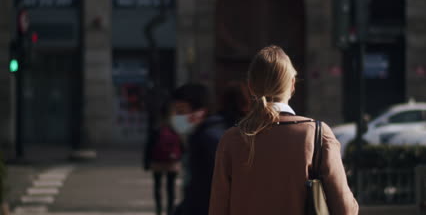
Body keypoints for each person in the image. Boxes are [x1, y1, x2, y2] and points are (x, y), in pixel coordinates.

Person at [209, 46, 359, 215]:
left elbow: (218, 208)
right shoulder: (316, 134)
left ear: (250, 87)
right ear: (292, 84)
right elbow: (345, 209)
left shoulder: (231, 139)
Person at [171, 83, 227, 215]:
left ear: (201, 112)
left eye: (181, 111)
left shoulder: (208, 138)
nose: (177, 117)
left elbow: (209, 188)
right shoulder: (205, 134)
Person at [143, 98, 183, 215]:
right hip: (172, 161)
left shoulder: (157, 126)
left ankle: (159, 210)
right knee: (170, 188)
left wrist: (146, 161)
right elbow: (182, 145)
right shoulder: (176, 126)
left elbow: (149, 145)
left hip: (157, 161)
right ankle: (170, 210)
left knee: (157, 186)